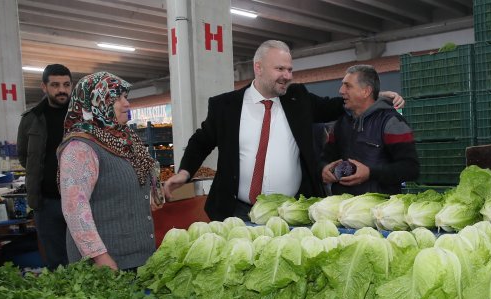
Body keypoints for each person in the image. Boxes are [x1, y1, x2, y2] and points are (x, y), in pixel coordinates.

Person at [162, 40, 405, 221]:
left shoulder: (298, 99)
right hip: (237, 211)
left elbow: (335, 106)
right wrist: (184, 173)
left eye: (289, 69)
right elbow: (201, 141)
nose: (287, 76)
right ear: (258, 68)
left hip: (290, 211)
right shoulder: (225, 106)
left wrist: (376, 97)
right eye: (280, 69)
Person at [58, 72, 161, 271]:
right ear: (96, 103)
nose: (126, 104)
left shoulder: (126, 140)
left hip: (138, 259)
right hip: (107, 266)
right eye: (116, 98)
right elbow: (74, 208)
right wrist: (100, 257)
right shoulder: (80, 147)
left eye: (125, 97)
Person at [321, 65, 419, 195]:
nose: (341, 90)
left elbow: (411, 168)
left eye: (348, 86)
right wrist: (323, 169)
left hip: (380, 206)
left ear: (366, 91)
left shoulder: (392, 123)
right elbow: (326, 158)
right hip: (343, 205)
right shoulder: (340, 124)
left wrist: (370, 173)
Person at [17, 64, 73, 269]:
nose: (62, 90)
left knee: (86, 257)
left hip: (82, 200)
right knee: (56, 261)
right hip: (47, 203)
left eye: (66, 85)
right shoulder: (31, 119)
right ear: (44, 87)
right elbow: (24, 157)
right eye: (55, 85)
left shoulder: (83, 117)